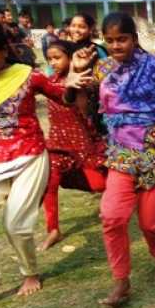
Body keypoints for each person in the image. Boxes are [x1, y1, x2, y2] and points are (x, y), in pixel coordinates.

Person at [70, 13, 155, 307]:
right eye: (110, 40)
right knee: (112, 216)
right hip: (120, 154)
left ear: (134, 39)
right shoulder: (102, 68)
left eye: (121, 39)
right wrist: (75, 76)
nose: (116, 45)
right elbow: (79, 104)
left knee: (151, 223)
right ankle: (121, 280)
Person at [0, 24, 89, 300]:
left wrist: (71, 83)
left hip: (30, 156)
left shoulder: (27, 76)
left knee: (16, 224)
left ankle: (30, 272)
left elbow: (63, 97)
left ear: (4, 50)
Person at [41, 40, 108, 251]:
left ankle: (119, 198)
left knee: (99, 184)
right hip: (57, 145)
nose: (53, 62)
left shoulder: (84, 81)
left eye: (57, 57)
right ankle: (53, 229)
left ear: (70, 58)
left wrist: (75, 80)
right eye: (49, 59)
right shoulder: (47, 82)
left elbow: (82, 108)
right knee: (49, 182)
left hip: (82, 144)